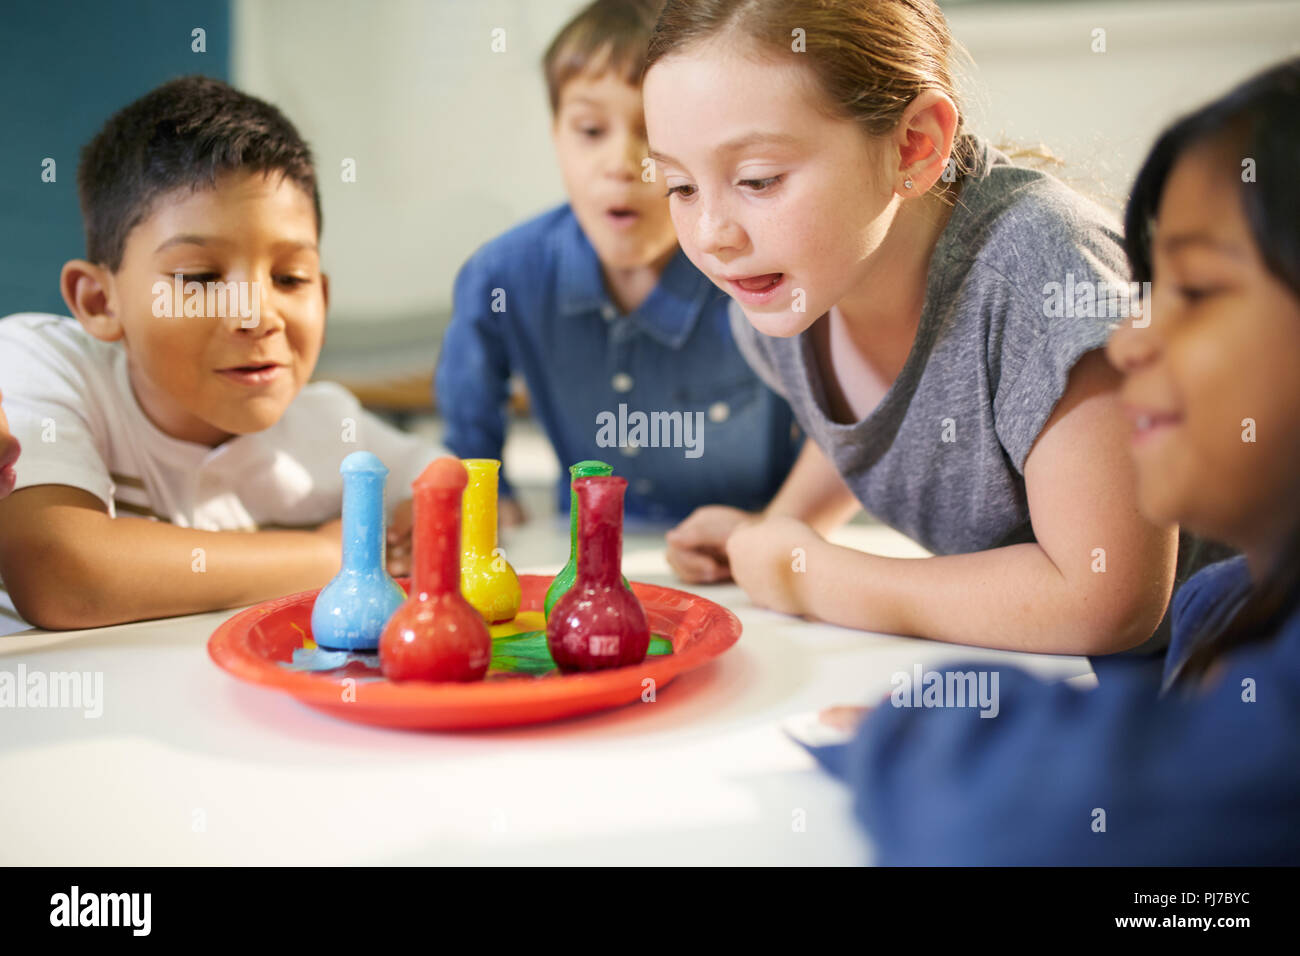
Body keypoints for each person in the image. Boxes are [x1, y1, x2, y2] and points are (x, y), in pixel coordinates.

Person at [798, 59, 1300, 864]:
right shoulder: (1226, 605)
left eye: (1198, 292)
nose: (1129, 338)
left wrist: (932, 735)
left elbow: (1030, 824)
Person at [643, 0, 1199, 652]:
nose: (712, 235)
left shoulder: (1041, 276)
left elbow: (1104, 599)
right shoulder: (793, 280)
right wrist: (777, 527)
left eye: (758, 180)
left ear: (914, 145)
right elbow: (876, 419)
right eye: (678, 186)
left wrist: (811, 577)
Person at [0, 76, 442, 632]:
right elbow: (66, 577)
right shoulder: (40, 361)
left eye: (290, 277)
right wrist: (338, 554)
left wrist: (423, 516)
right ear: (99, 300)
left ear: (322, 298)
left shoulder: (327, 422)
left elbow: (447, 477)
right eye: (202, 277)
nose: (258, 315)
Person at [435, 0, 800, 528]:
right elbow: (469, 444)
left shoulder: (763, 269)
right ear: (555, 133)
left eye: (653, 135)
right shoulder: (502, 275)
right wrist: (491, 507)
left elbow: (842, 431)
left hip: (742, 562)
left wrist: (776, 532)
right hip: (579, 553)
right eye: (589, 130)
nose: (622, 165)